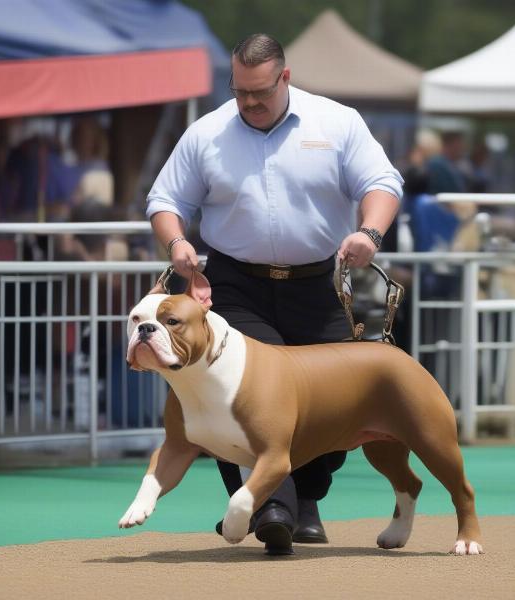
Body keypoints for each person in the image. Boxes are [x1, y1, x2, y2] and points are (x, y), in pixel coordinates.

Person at [146, 33, 403, 554]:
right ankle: (270, 508)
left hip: (320, 283)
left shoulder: (337, 121)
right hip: (235, 286)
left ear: (285, 78)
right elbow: (166, 198)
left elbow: (382, 181)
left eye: (259, 92)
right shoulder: (207, 132)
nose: (249, 103)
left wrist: (368, 235)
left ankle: (305, 501)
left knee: (337, 404)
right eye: (240, 91)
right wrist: (176, 242)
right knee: (236, 395)